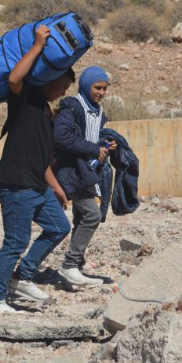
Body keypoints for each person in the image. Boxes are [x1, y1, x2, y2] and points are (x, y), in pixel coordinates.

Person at [0, 25, 74, 314]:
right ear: (49, 80)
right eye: (62, 85)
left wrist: (56, 188)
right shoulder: (26, 100)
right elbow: (14, 77)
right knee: (16, 241)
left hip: (37, 184)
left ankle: (22, 277)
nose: (62, 92)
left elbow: (42, 159)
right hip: (16, 184)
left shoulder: (46, 113)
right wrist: (37, 45)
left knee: (59, 227)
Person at [53, 66, 117, 288]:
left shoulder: (97, 112)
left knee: (81, 217)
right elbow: (61, 137)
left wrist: (105, 145)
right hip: (72, 172)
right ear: (86, 85)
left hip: (89, 172)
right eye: (97, 87)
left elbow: (92, 139)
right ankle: (69, 265)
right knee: (92, 215)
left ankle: (77, 262)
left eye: (104, 88)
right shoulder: (72, 108)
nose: (101, 92)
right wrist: (92, 149)